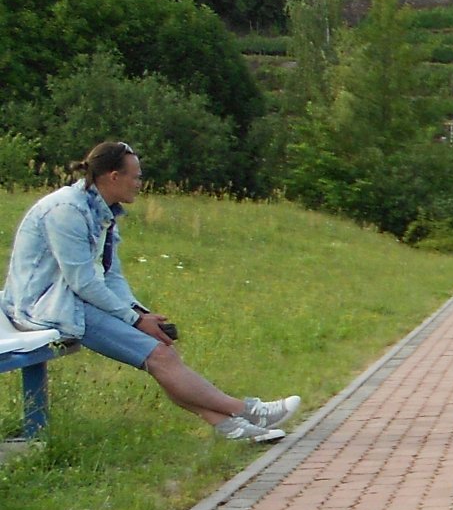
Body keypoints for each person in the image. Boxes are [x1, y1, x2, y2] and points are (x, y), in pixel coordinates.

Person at [2, 142, 299, 444]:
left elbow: (110, 274)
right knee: (159, 356)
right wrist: (133, 320)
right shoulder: (66, 211)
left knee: (162, 355)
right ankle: (249, 411)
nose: (140, 184)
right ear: (114, 176)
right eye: (136, 177)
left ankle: (231, 427)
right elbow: (83, 282)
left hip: (70, 302)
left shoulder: (101, 212)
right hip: (44, 308)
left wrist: (139, 313)